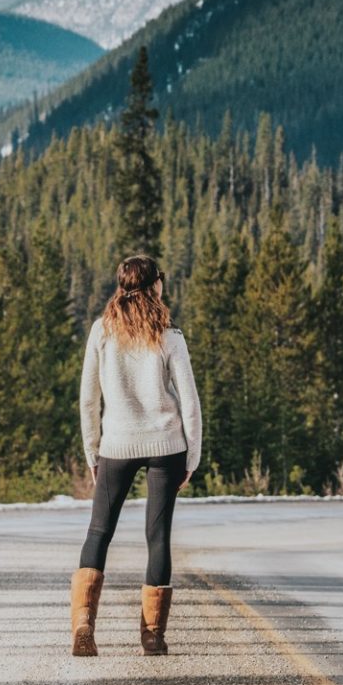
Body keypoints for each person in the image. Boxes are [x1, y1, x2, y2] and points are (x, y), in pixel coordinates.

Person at [69, 254, 203, 657]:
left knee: (99, 531)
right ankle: (152, 636)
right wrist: (192, 457)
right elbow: (190, 402)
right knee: (157, 537)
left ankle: (83, 623)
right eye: (160, 278)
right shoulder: (169, 334)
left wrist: (93, 450)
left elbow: (88, 398)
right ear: (153, 285)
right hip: (166, 446)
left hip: (117, 445)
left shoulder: (102, 331)